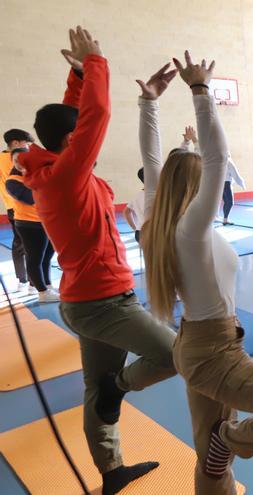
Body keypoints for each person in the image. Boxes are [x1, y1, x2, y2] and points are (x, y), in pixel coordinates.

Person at [139, 54, 253, 494]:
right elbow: (218, 159)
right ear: (195, 188)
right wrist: (201, 92)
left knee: (210, 465)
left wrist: (149, 105)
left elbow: (151, 160)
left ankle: (220, 452)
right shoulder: (191, 231)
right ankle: (230, 440)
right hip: (214, 353)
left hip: (197, 346)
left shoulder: (157, 224)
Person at [19, 27, 177, 494]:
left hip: (87, 302)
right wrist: (95, 65)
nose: (88, 141)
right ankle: (120, 388)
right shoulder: (66, 175)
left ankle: (111, 472)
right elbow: (96, 114)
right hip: (103, 303)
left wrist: (75, 76)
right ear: (71, 141)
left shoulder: (50, 167)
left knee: (96, 388)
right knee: (175, 355)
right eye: (79, 137)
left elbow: (70, 121)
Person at [5, 149, 58, 302]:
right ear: (12, 161)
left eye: (25, 159)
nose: (21, 163)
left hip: (47, 221)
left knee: (47, 256)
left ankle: (47, 285)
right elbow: (32, 198)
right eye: (17, 160)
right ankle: (41, 291)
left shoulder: (38, 174)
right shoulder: (13, 181)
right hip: (29, 224)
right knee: (34, 258)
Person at [180, 126, 245, 225]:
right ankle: (214, 217)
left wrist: (189, 140)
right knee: (211, 202)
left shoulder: (225, 159)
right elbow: (198, 152)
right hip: (209, 183)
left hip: (220, 183)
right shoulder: (207, 158)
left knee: (222, 201)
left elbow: (235, 174)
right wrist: (191, 139)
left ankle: (222, 217)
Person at [1, 129, 32, 292]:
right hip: (16, 207)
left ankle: (32, 282)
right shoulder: (3, 160)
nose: (27, 146)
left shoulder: (27, 156)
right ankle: (24, 280)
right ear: (15, 143)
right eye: (25, 143)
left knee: (31, 245)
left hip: (32, 207)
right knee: (22, 243)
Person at [123, 168, 146, 243]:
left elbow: (126, 212)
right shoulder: (156, 195)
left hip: (140, 232)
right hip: (151, 233)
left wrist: (135, 228)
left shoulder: (137, 196)